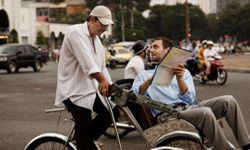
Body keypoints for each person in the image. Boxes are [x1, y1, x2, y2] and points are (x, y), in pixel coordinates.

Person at [131, 36, 250, 150]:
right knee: (205, 112)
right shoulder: (144, 75)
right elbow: (134, 97)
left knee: (228, 101)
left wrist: (179, 78)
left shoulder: (184, 72)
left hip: (188, 108)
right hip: (168, 114)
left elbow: (190, 99)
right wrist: (150, 80)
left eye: (155, 47)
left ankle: (246, 144)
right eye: (150, 47)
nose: (151, 50)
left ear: (167, 51)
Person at [55, 5, 119, 150]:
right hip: (74, 91)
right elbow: (88, 63)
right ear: (92, 19)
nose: (105, 28)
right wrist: (102, 80)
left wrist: (111, 85)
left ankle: (84, 142)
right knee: (83, 123)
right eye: (103, 24)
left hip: (90, 89)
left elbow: (101, 67)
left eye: (107, 25)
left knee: (113, 112)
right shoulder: (75, 32)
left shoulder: (96, 40)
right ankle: (84, 142)